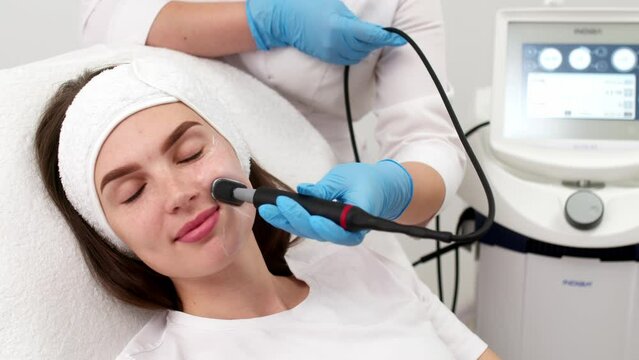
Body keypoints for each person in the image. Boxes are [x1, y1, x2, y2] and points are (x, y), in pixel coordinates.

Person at [34, 59, 498, 359]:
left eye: (191, 153)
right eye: (133, 192)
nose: (178, 194)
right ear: (113, 234)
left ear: (237, 152)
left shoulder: (354, 265)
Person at [80, 0, 466, 247]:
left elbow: (429, 139)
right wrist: (264, 21)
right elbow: (106, 22)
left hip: (324, 197)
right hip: (208, 219)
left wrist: (392, 188)